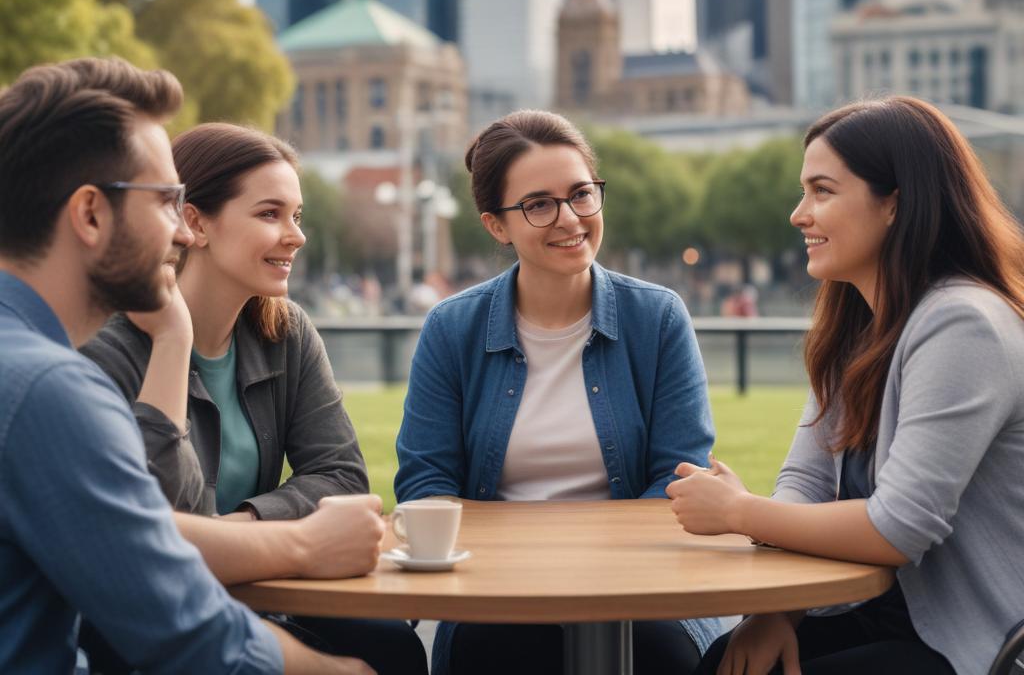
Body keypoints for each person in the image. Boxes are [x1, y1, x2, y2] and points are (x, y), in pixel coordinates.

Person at [0, 57, 382, 675]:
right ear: (91, 213)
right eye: (166, 202)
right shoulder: (49, 389)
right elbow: (181, 624)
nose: (179, 232)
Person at [668, 96, 1024, 675]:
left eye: (822, 191)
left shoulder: (965, 324)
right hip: (884, 616)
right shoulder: (857, 324)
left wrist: (741, 512)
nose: (798, 214)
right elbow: (805, 481)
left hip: (976, 645)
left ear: (894, 205)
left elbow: (898, 528)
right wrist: (780, 613)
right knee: (724, 664)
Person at [81, 122, 428, 675]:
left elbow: (341, 476)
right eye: (270, 214)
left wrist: (240, 528)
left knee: (391, 647)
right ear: (194, 221)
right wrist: (174, 342)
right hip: (146, 625)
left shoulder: (286, 332)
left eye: (297, 215)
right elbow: (162, 527)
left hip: (258, 592)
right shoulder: (109, 348)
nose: (296, 235)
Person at [395, 109, 720, 675]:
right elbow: (426, 483)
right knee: (490, 654)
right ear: (497, 225)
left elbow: (679, 476)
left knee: (662, 656)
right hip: (498, 588)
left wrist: (588, 563)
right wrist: (532, 563)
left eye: (582, 194)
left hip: (639, 583)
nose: (570, 218)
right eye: (539, 204)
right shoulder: (452, 329)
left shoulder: (658, 317)